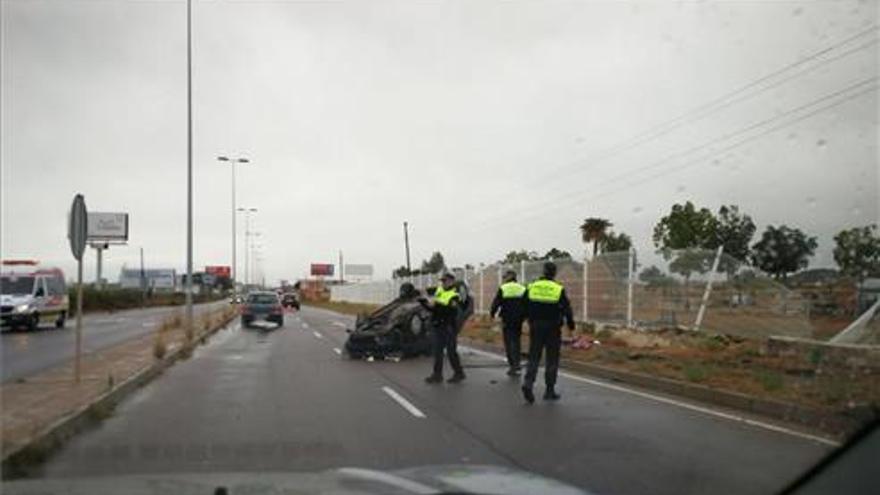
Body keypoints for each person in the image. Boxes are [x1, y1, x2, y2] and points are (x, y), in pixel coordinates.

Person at [522, 261, 575, 403]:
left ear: (543, 271)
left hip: (536, 326)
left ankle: (528, 383)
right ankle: (549, 390)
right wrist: (571, 325)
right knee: (552, 358)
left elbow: (523, 305)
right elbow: (567, 309)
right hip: (553, 327)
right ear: (554, 273)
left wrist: (528, 320)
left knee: (534, 356)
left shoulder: (532, 286)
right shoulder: (558, 289)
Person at [420, 273, 466, 384]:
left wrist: (436, 304)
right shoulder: (440, 291)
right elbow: (434, 309)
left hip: (448, 326)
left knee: (451, 352)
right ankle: (437, 375)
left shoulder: (455, 294)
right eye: (442, 281)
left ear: (451, 281)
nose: (443, 283)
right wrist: (424, 303)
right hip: (438, 325)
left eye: (445, 281)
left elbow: (449, 311)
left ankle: (459, 373)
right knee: (437, 352)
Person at [490, 270, 527, 376]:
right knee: (516, 340)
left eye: (505, 276)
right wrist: (526, 316)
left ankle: (513, 366)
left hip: (507, 318)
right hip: (519, 318)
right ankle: (517, 364)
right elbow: (527, 303)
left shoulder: (503, 288)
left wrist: (492, 314)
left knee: (508, 341)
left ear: (509, 277)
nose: (504, 278)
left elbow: (496, 302)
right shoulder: (522, 288)